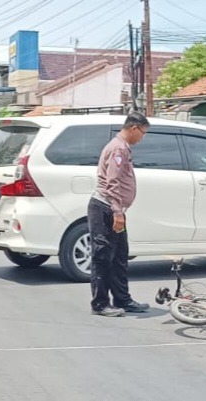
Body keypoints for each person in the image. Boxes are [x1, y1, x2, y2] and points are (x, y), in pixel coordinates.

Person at [88, 112, 151, 317]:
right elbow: (112, 182)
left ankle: (123, 299)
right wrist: (117, 212)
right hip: (106, 208)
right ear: (133, 128)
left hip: (114, 209)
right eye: (142, 132)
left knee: (120, 256)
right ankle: (100, 303)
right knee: (103, 257)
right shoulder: (118, 148)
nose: (143, 137)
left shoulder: (122, 147)